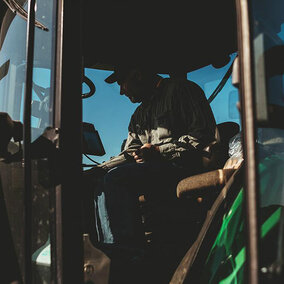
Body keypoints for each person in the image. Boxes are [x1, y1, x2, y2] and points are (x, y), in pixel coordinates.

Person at [92, 65, 219, 250]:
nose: (121, 92)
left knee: (116, 179)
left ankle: (126, 251)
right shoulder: (139, 115)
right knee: (100, 180)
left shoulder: (181, 90)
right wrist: (99, 169)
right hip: (154, 172)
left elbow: (202, 134)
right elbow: (129, 153)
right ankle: (105, 249)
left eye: (122, 84)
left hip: (182, 167)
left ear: (138, 74)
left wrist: (160, 151)